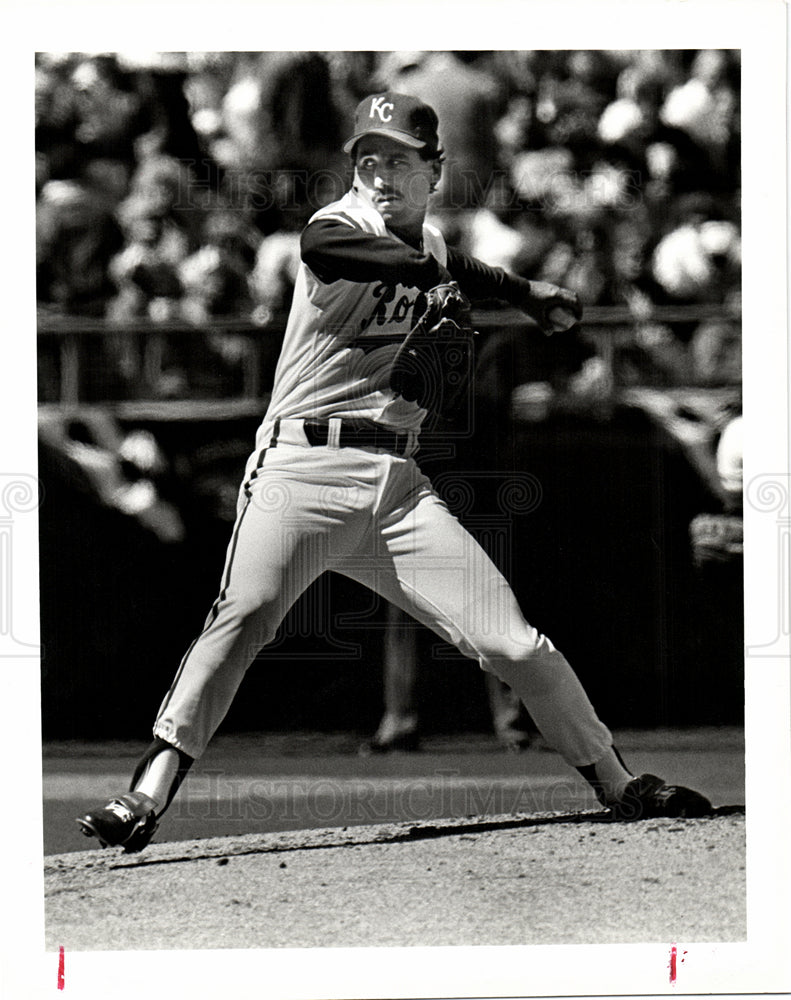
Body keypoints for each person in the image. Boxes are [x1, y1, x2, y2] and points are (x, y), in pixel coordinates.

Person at [77, 91, 711, 853]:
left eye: (399, 160)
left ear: (435, 171)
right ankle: (143, 797)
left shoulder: (434, 251)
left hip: (397, 489)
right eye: (367, 159)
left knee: (514, 645)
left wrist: (525, 293)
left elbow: (453, 264)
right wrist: (434, 279)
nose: (378, 173)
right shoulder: (339, 226)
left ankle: (617, 781)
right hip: (299, 473)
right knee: (242, 618)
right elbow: (330, 251)